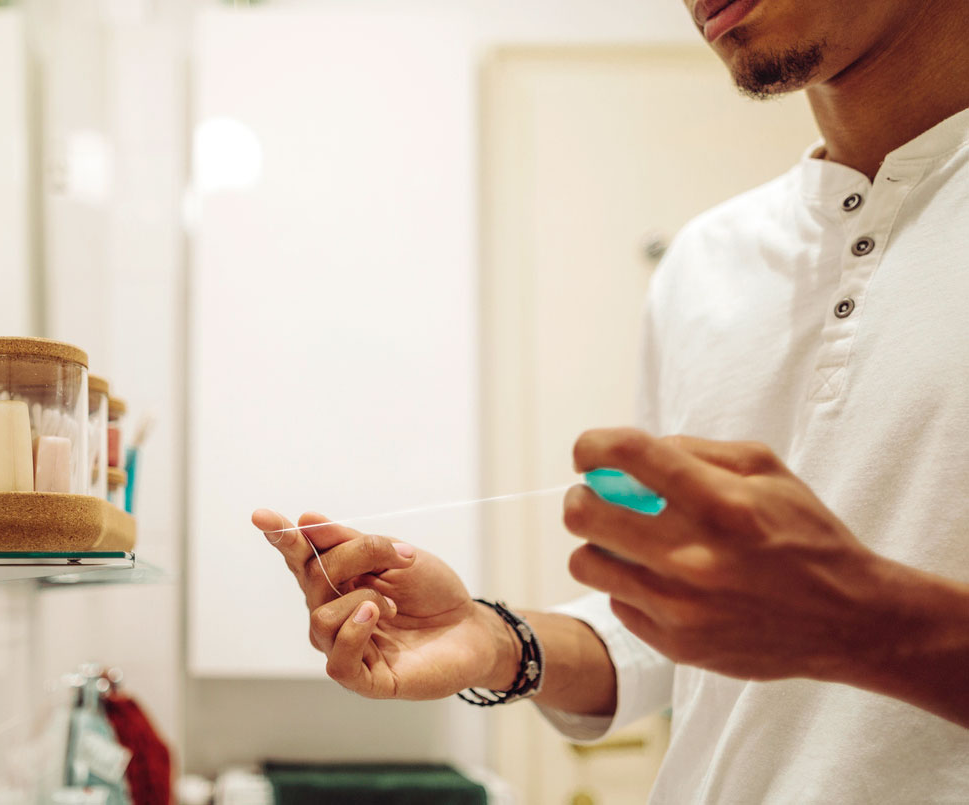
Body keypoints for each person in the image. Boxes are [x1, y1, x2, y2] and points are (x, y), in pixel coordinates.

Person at [253, 0, 969, 799]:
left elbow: (811, 620)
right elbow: (677, 636)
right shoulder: (707, 261)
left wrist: (867, 623)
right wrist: (493, 641)